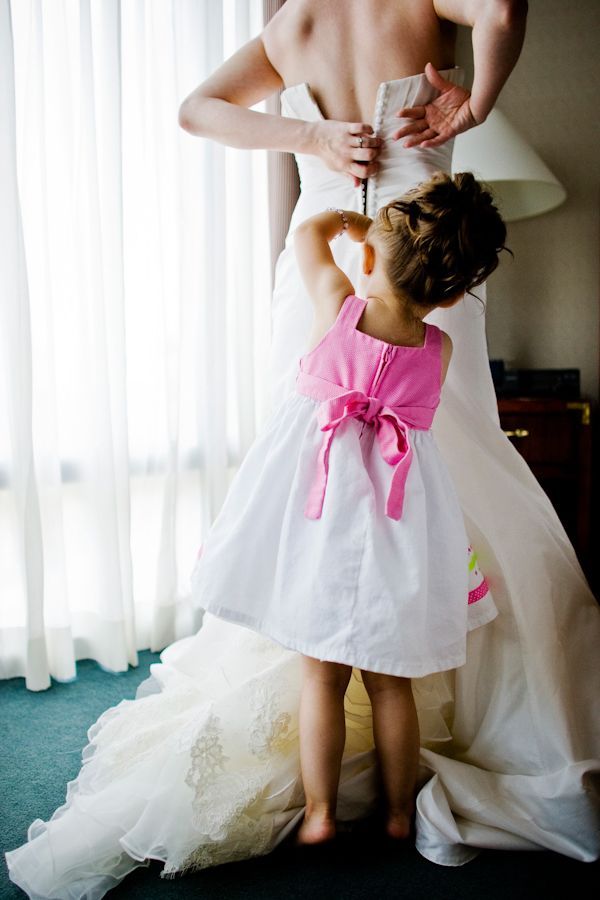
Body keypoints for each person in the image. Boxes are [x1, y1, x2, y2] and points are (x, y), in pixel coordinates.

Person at [5, 1, 599, 896]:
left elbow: (197, 108)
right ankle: (433, 647)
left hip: (326, 253)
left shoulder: (293, 22)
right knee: (449, 458)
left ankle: (316, 661)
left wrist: (313, 138)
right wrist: (472, 100)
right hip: (421, 267)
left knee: (310, 452)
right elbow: (504, 9)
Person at [191, 171, 507, 846]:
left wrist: (353, 225)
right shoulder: (438, 347)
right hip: (398, 527)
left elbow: (307, 235)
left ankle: (320, 815)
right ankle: (398, 815)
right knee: (393, 686)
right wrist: (389, 254)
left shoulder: (338, 304)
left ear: (367, 260)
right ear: (453, 293)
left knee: (321, 680)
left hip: (322, 520)